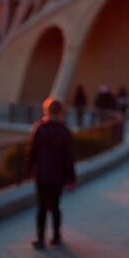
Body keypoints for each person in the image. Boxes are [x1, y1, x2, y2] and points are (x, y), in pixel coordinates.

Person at [27, 97, 76, 249]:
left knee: (41, 207)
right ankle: (56, 236)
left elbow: (32, 153)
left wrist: (29, 170)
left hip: (41, 174)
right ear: (61, 112)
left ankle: (40, 239)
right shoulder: (64, 132)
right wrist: (71, 178)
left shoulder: (39, 129)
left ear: (46, 111)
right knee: (55, 206)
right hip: (57, 175)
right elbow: (69, 158)